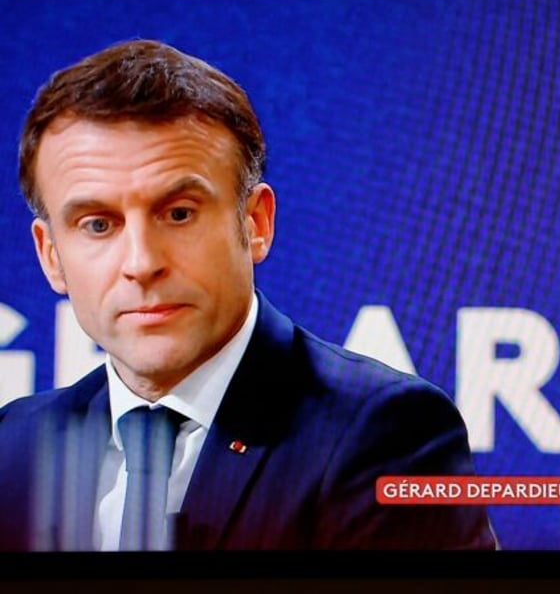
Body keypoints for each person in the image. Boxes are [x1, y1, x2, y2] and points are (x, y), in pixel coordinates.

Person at [0, 38, 497, 551]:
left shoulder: (388, 434)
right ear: (51, 255)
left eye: (179, 213)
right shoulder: (14, 447)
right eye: (98, 224)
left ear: (255, 223)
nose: (142, 263)